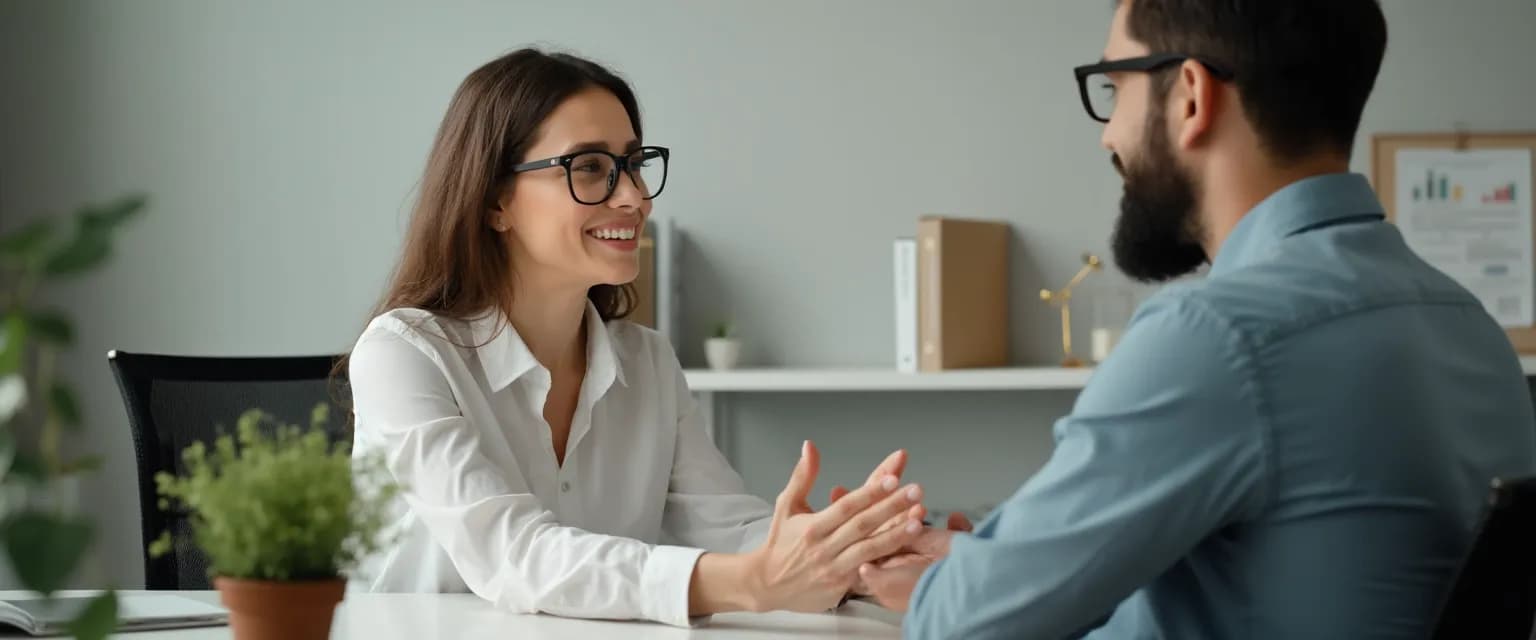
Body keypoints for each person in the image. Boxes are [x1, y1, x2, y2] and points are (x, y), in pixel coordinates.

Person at [861, 1, 1536, 638]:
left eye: (1114, 87)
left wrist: (944, 587)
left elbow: (963, 626)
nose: (1108, 135)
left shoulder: (1219, 337)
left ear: (1189, 94)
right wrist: (989, 560)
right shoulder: (1467, 325)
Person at [343, 48, 927, 626]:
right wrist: (753, 583)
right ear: (497, 201)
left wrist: (859, 555)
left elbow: (728, 526)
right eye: (590, 167)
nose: (634, 197)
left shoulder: (647, 361)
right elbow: (514, 555)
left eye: (633, 164)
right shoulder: (405, 355)